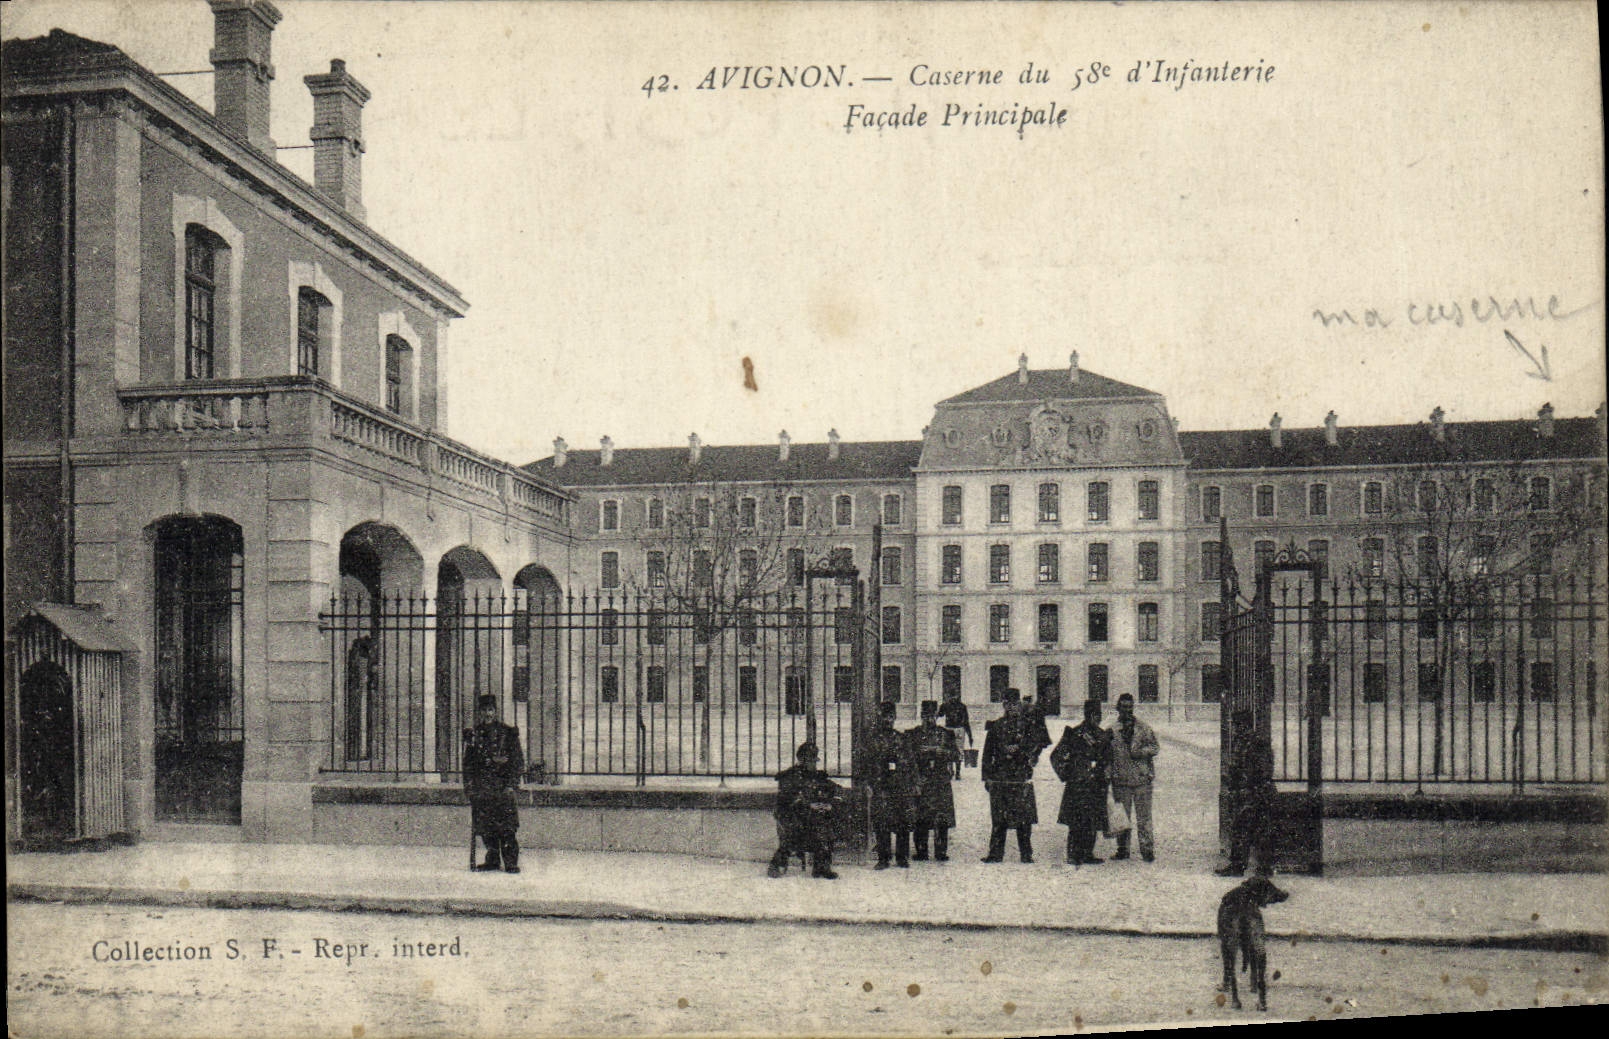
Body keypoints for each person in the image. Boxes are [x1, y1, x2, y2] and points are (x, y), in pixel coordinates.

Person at [980, 688, 1048, 863]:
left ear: (1020, 705)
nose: (1012, 708)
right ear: (1004, 706)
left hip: (1020, 775)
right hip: (1000, 775)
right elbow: (987, 753)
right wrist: (987, 777)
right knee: (999, 817)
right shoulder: (996, 726)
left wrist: (1022, 751)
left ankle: (1026, 853)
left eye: (1015, 704)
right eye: (1009, 704)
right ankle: (995, 853)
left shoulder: (1028, 726)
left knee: (1024, 817)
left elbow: (1037, 746)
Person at [463, 694, 524, 873]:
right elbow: (468, 764)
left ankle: (511, 862)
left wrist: (511, 785)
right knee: (486, 827)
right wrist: (469, 787)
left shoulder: (507, 732)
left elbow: (517, 761)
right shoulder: (475, 735)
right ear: (480, 712)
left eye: (490, 710)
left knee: (507, 827)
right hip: (483, 787)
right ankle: (492, 860)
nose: (487, 714)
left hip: (503, 787)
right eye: (484, 710)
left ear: (495, 711)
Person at [767, 742, 844, 879]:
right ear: (801, 760)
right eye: (809, 760)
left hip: (812, 814)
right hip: (791, 815)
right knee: (798, 831)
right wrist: (808, 805)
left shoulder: (817, 776)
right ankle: (777, 864)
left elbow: (835, 789)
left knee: (826, 820)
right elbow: (787, 800)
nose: (812, 764)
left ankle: (822, 866)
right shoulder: (789, 777)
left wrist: (830, 803)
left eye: (814, 761)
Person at [1051, 699, 1112, 865]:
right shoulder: (1074, 734)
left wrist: (1105, 775)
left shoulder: (1103, 735)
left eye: (1098, 715)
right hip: (1077, 785)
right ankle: (1073, 854)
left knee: (1092, 820)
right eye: (1093, 715)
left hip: (1096, 784)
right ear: (1087, 715)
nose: (1096, 718)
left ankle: (1087, 853)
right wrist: (1067, 774)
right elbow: (1056, 756)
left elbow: (1108, 759)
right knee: (1076, 821)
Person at [1218, 708, 1277, 877]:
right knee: (1240, 828)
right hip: (1243, 793)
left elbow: (1263, 770)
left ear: (1244, 725)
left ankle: (1264, 868)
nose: (1234, 729)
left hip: (1256, 792)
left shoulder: (1257, 742)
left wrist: (1252, 787)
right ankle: (1237, 865)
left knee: (1260, 830)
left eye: (1236, 725)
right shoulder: (1240, 741)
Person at [1108, 693, 1160, 862]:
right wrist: (1110, 774)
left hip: (1141, 779)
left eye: (1130, 707)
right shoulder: (1112, 730)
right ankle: (1123, 849)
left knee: (1144, 817)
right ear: (1118, 708)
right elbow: (1107, 755)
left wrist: (1141, 752)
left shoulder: (1143, 728)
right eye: (1124, 707)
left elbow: (1155, 747)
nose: (1127, 710)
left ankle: (1147, 849)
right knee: (1122, 818)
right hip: (1121, 780)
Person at [906, 700, 960, 861]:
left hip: (940, 780)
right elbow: (906, 757)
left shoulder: (945, 734)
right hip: (922, 779)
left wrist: (941, 752)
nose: (929, 719)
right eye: (926, 716)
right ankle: (921, 851)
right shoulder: (913, 734)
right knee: (921, 817)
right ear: (921, 716)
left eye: (932, 716)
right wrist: (920, 753)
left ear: (936, 716)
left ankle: (941, 851)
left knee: (941, 818)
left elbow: (957, 755)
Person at [867, 700, 914, 869]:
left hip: (899, 785)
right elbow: (867, 763)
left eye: (890, 717)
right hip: (881, 785)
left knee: (902, 821)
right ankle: (883, 858)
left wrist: (911, 781)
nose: (887, 720)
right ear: (880, 718)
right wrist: (869, 783)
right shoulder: (873, 740)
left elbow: (910, 762)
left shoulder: (901, 738)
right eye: (884, 717)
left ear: (894, 718)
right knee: (882, 821)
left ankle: (902, 857)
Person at [937, 694, 972, 779]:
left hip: (950, 729)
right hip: (958, 729)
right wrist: (970, 736)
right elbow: (966, 722)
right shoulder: (962, 706)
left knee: (949, 749)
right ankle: (956, 772)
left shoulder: (946, 705)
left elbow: (939, 714)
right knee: (958, 750)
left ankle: (952, 771)